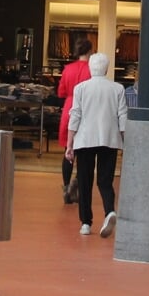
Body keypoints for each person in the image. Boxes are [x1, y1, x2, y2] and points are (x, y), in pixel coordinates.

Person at [69, 52, 127, 238]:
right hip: (109, 139)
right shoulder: (117, 89)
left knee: (85, 181)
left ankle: (86, 222)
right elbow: (122, 117)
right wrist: (126, 141)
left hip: (85, 139)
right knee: (105, 180)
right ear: (107, 69)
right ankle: (109, 210)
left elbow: (75, 115)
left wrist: (70, 143)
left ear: (90, 68)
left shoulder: (80, 88)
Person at [56, 37, 93, 204]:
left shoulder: (67, 69)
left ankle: (65, 187)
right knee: (84, 152)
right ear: (90, 51)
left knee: (68, 150)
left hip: (69, 108)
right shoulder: (91, 70)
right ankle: (76, 185)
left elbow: (61, 92)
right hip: (86, 109)